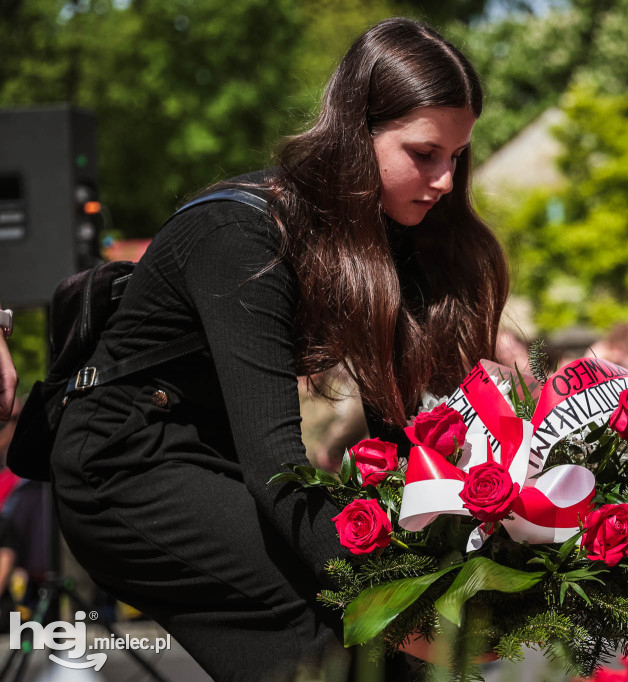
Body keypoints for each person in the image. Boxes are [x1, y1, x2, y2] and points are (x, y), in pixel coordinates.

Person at [49, 18, 508, 681]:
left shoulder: (384, 236)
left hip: (212, 457)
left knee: (389, 655)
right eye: (423, 153)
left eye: (456, 156)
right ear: (358, 132)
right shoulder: (239, 232)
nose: (443, 179)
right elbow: (274, 459)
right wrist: (393, 606)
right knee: (329, 645)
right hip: (123, 465)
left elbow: (396, 439)